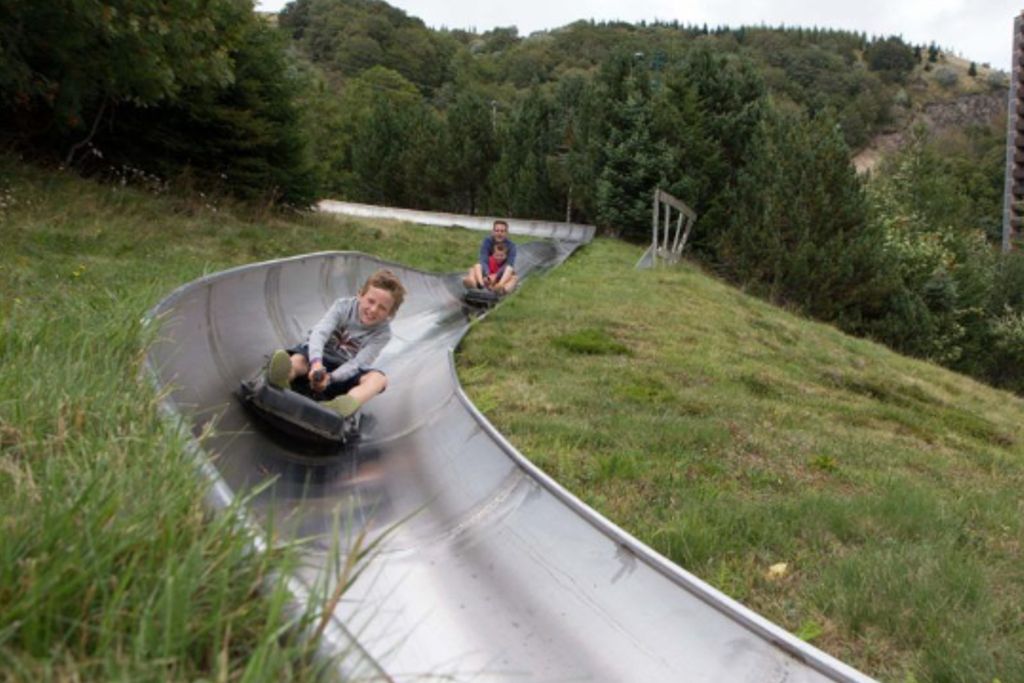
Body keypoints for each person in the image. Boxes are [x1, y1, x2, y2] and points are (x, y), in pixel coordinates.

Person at [266, 269, 406, 417]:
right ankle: (283, 377)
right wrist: (316, 364)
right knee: (299, 360)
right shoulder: (342, 307)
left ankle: (342, 406)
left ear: (390, 313)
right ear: (360, 295)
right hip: (317, 359)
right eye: (371, 301)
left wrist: (331, 378)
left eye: (382, 308)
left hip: (345, 371)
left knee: (379, 379)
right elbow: (319, 334)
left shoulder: (383, 334)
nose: (373, 309)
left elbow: (357, 363)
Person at [463, 219, 517, 294]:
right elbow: (483, 259)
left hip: (501, 275)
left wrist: (496, 276)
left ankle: (501, 288)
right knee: (475, 267)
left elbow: (509, 263)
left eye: (502, 231)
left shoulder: (511, 246)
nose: (499, 233)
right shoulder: (487, 241)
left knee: (513, 276)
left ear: (506, 233)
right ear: (493, 232)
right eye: (497, 231)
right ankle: (474, 283)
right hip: (487, 273)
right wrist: (488, 276)